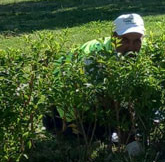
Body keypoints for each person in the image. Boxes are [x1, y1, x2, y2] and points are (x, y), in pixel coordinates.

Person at [44, 13, 147, 146]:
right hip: (69, 110)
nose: (131, 47)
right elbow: (104, 99)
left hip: (94, 103)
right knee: (92, 137)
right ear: (114, 37)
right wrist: (128, 135)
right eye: (125, 40)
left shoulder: (142, 49)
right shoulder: (93, 57)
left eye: (137, 40)